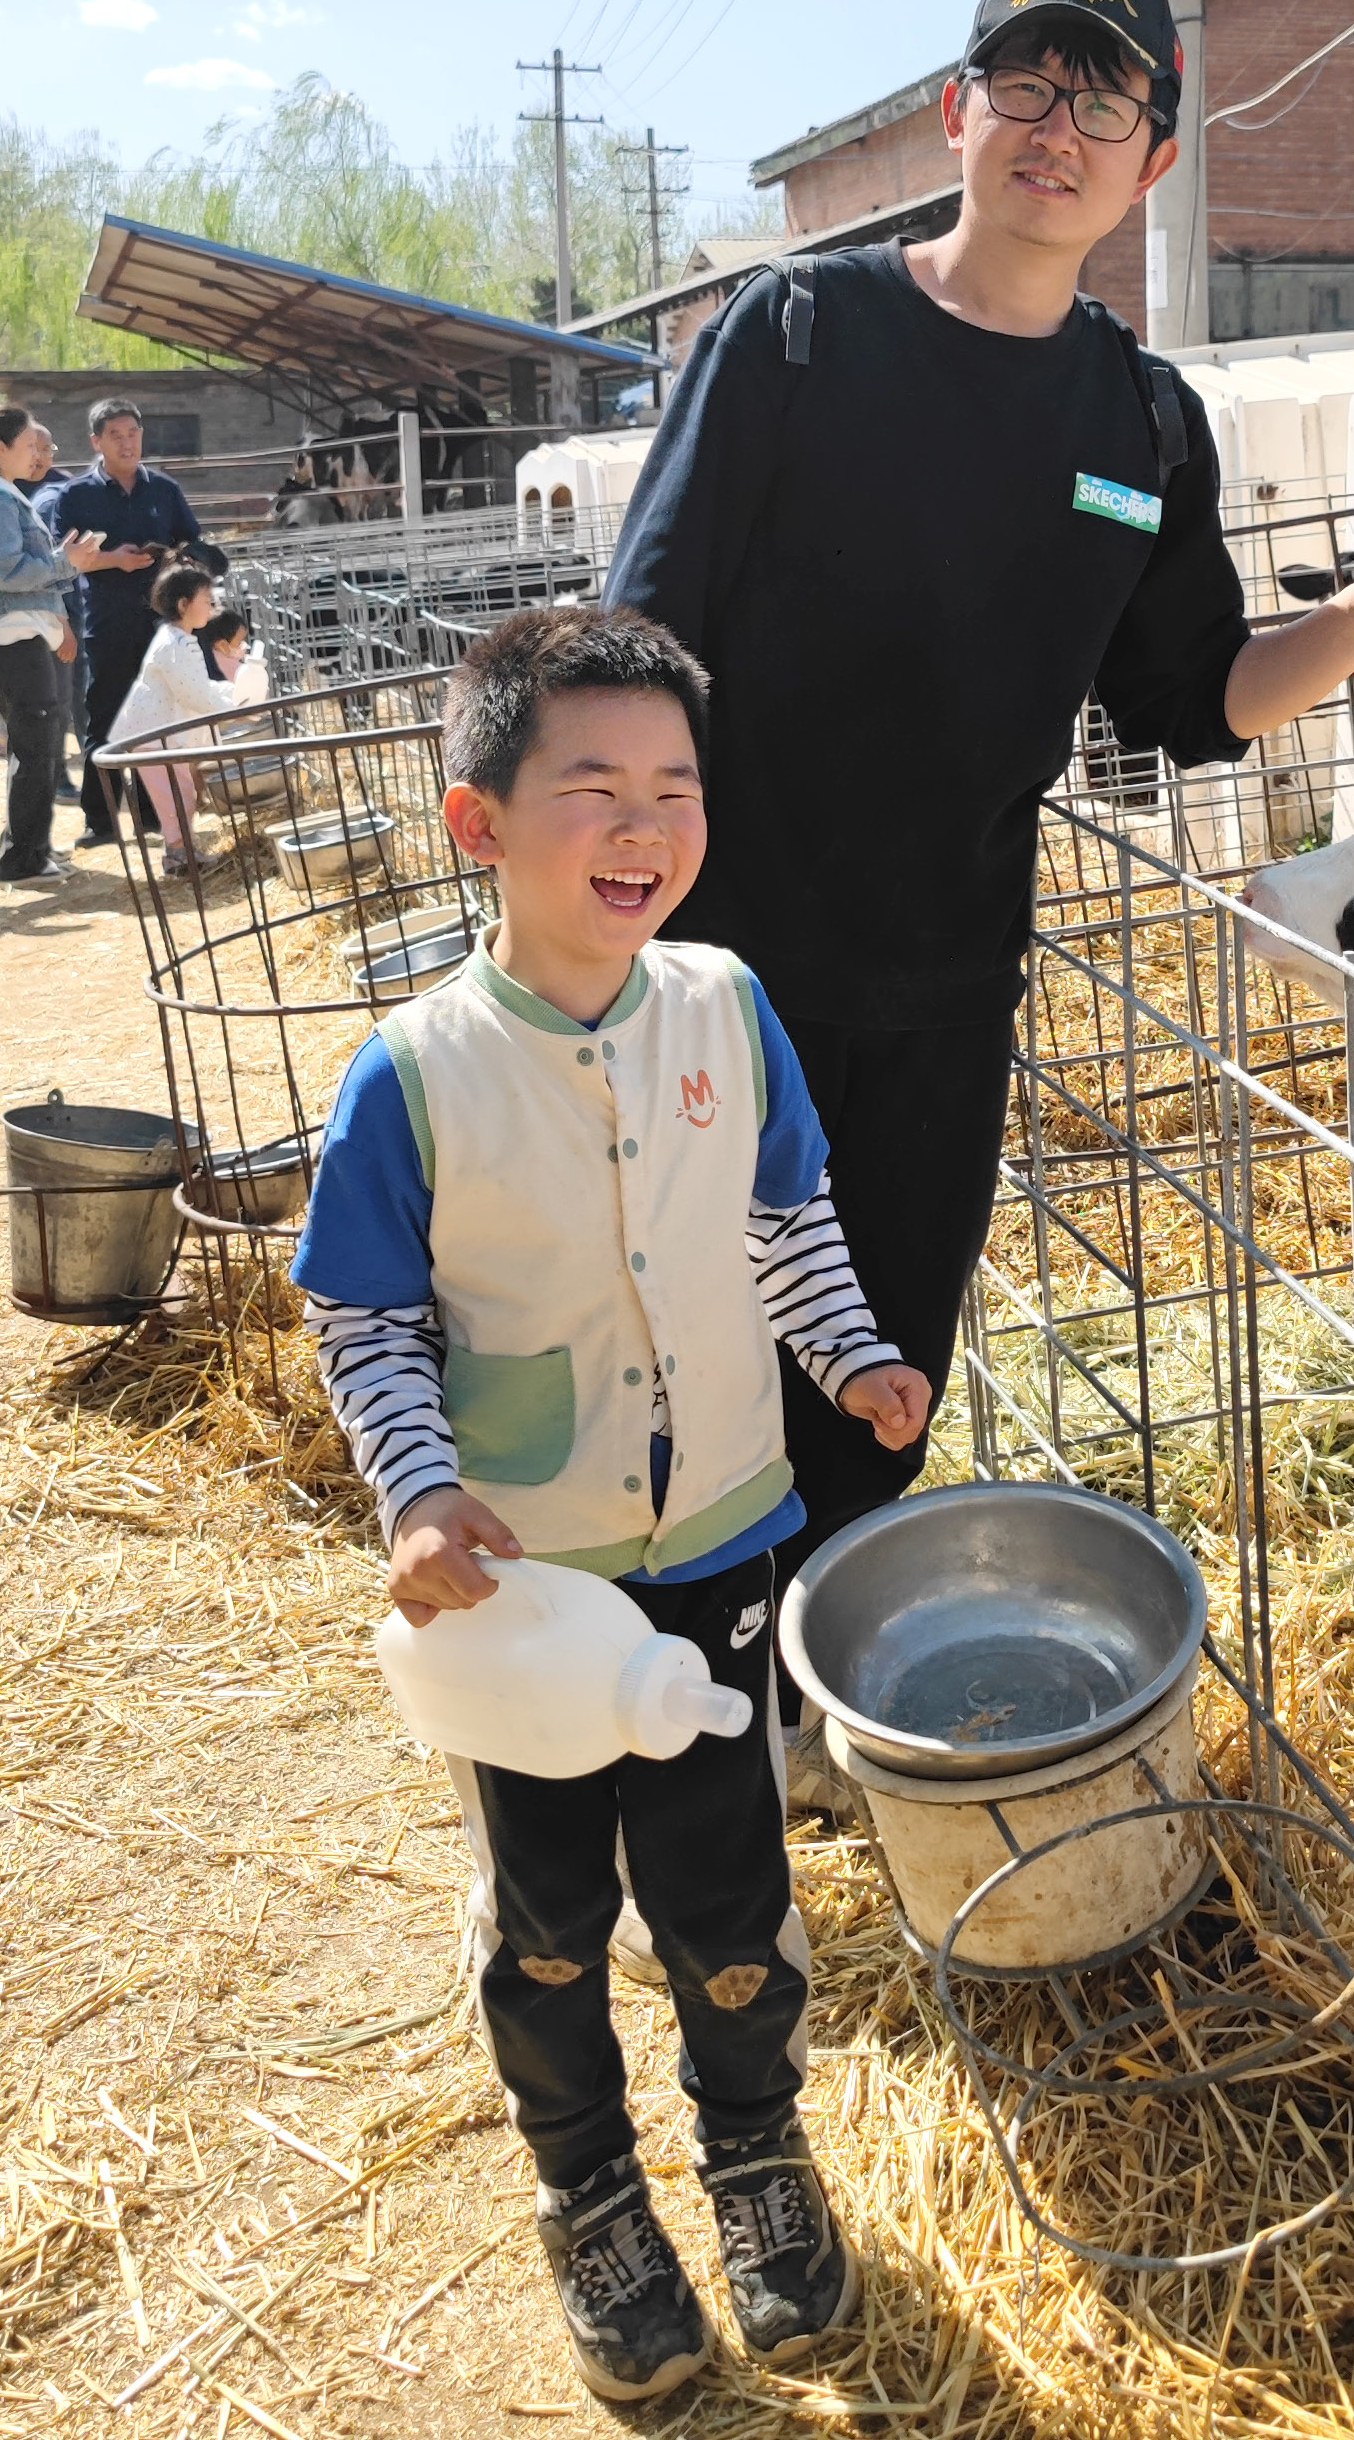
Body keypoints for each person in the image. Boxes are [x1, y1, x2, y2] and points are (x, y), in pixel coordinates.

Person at [603, 0, 1354, 1805]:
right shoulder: (791, 341)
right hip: (725, 963)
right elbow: (644, 634)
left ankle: (788, 1729)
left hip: (944, 979)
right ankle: (639, 1732)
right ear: (958, 111)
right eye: (1027, 84)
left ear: (1153, 161)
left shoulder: (1141, 425)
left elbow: (1198, 701)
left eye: (1107, 99)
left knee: (877, 1367)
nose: (1059, 127)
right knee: (684, 1347)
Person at [292, 606, 923, 2402]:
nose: (643, 822)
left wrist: (853, 1359)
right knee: (552, 1908)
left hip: (724, 1534)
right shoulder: (412, 1071)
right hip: (534, 1591)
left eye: (676, 785)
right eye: (593, 786)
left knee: (727, 1890)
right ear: (477, 823)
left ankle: (754, 2158)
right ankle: (589, 2192)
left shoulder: (725, 1007)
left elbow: (785, 1219)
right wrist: (417, 1494)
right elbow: (366, 1310)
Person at [36, 398, 205, 849]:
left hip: (162, 627)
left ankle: (154, 815)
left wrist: (175, 560)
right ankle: (101, 819)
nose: (127, 443)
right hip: (106, 623)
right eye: (116, 435)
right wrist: (114, 561)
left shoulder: (165, 491)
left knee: (159, 718)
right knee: (105, 719)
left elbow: (192, 543)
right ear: (96, 441)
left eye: (133, 433)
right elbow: (61, 560)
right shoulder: (76, 496)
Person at [0, 404, 110, 887]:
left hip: (19, 633)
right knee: (36, 747)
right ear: (0, 450)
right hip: (14, 635)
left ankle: (30, 848)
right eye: (28, 445)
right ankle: (23, 859)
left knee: (38, 745)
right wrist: (67, 563)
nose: (36, 454)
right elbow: (3, 570)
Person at [101, 567, 270, 846]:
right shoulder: (173, 645)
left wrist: (235, 695)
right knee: (175, 800)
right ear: (183, 604)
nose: (212, 607)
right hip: (152, 736)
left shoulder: (181, 640)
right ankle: (180, 857)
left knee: (183, 794)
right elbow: (193, 693)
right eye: (206, 601)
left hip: (163, 734)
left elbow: (200, 686)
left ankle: (183, 852)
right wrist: (237, 706)